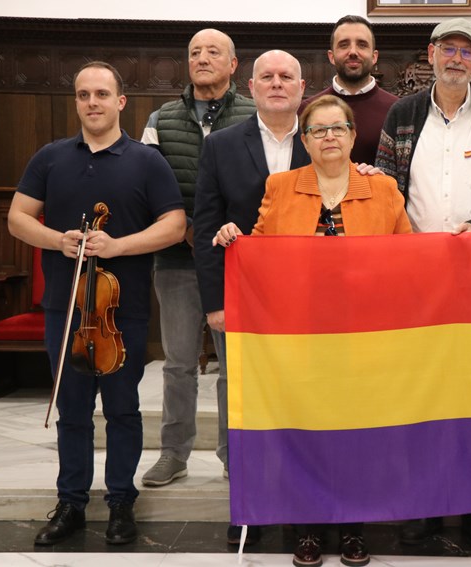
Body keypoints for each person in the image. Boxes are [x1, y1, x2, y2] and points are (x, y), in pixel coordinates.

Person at [215, 94, 411, 567]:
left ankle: (353, 527)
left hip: (362, 338)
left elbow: (408, 259)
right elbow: (261, 252)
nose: (329, 137)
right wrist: (234, 240)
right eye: (318, 130)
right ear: (304, 140)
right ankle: (306, 528)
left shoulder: (382, 188)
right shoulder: (281, 186)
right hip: (299, 337)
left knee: (356, 434)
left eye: (338, 128)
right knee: (304, 431)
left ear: (352, 135)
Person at [7, 61, 185, 546]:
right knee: (72, 410)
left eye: (102, 94)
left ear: (120, 101)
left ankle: (121, 502)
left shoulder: (147, 161)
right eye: (84, 94)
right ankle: (71, 503)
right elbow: (18, 217)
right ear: (77, 102)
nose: (92, 102)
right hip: (64, 306)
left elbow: (174, 225)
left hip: (121, 311)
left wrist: (118, 245)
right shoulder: (51, 157)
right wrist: (57, 240)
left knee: (123, 409)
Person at [375, 17, 471, 547]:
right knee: (419, 392)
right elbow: (385, 191)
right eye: (449, 49)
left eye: (467, 51)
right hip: (413, 279)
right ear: (431, 54)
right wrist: (403, 242)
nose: (457, 59)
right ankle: (422, 504)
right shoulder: (402, 114)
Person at [192, 49, 309, 546]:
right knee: (243, 398)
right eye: (267, 77)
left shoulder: (324, 139)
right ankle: (249, 504)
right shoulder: (221, 145)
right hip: (243, 298)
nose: (277, 83)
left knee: (303, 397)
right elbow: (205, 227)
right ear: (253, 87)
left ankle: (304, 503)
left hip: (309, 301)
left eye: (286, 76)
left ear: (302, 88)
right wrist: (215, 302)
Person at [139, 29, 255, 495]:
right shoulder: (160, 119)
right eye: (194, 52)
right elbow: (145, 186)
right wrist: (187, 229)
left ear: (234, 64)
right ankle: (173, 453)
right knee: (178, 363)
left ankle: (235, 454)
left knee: (235, 366)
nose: (202, 58)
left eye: (213, 52)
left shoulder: (254, 115)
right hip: (176, 259)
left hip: (237, 262)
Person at [298, 15, 398, 165]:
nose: (353, 52)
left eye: (362, 45)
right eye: (344, 45)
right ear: (331, 56)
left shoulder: (397, 109)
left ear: (374, 56)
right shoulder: (307, 109)